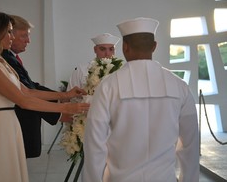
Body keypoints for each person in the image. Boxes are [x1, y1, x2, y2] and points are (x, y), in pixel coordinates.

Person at [0, 9, 89, 182]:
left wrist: (67, 94)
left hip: (9, 122)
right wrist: (66, 107)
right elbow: (24, 101)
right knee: (0, 172)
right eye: (8, 31)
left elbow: (28, 91)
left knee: (10, 172)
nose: (11, 36)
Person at [82, 17, 199, 182]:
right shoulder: (180, 86)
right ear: (154, 46)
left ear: (125, 46)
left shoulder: (108, 86)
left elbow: (95, 145)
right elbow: (190, 145)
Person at [1, 15, 63, 158]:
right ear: (8, 34)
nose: (28, 41)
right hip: (21, 118)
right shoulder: (4, 58)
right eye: (24, 36)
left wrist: (62, 97)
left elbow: (30, 86)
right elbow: (27, 93)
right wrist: (62, 106)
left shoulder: (10, 57)